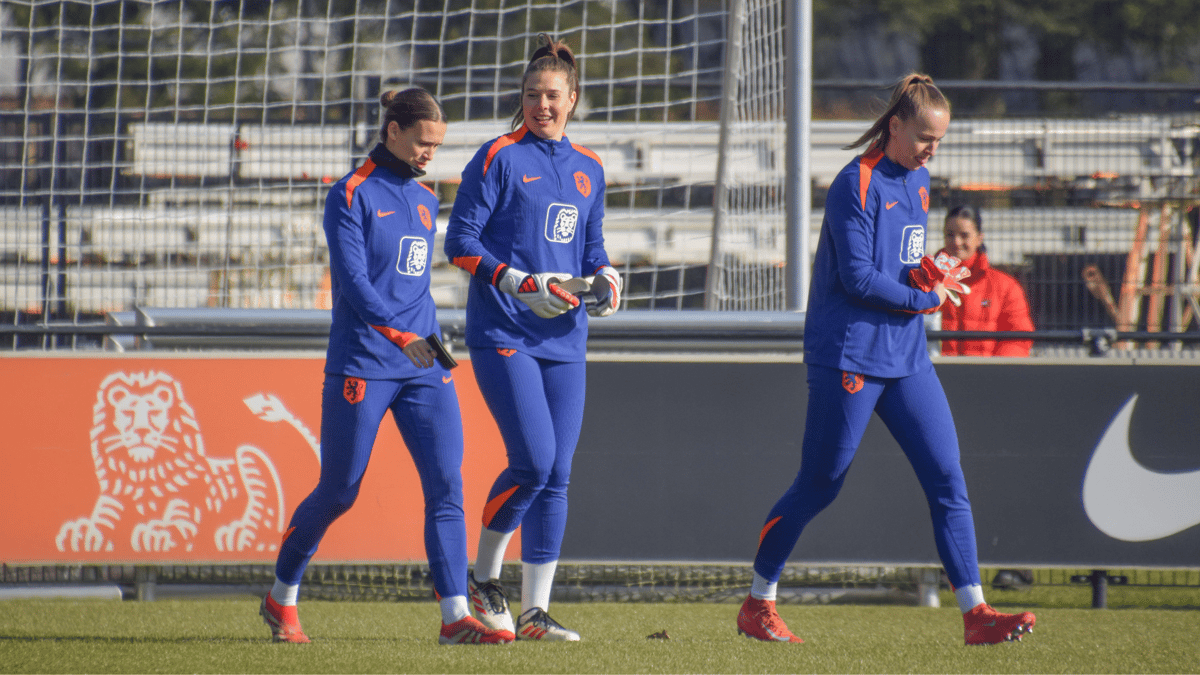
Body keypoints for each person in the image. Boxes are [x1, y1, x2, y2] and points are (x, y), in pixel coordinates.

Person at [736, 73, 1037, 646]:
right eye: (925, 136)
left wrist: (927, 269)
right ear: (895, 126)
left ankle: (976, 614)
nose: (932, 149)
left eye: (939, 139)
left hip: (905, 356)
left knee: (948, 478)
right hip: (849, 353)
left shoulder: (918, 178)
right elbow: (856, 277)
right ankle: (758, 601)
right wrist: (925, 296)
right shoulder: (857, 180)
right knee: (820, 484)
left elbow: (897, 260)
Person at [259, 88, 515, 646]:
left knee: (448, 482)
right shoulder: (349, 194)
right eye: (423, 142)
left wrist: (431, 344)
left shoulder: (425, 199)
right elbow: (355, 287)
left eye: (437, 145)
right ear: (392, 132)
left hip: (424, 358)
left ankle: (454, 619)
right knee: (341, 489)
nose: (430, 153)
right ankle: (281, 598)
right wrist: (400, 336)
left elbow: (414, 288)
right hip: (366, 360)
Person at [443, 33, 621, 642]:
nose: (541, 104)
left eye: (552, 95)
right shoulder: (497, 156)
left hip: (566, 338)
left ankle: (535, 614)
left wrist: (606, 275)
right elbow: (459, 243)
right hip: (503, 330)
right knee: (534, 462)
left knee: (559, 474)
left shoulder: (589, 167)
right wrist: (514, 279)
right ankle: (484, 578)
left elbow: (590, 247)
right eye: (531, 94)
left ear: (572, 98)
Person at [938, 205, 1034, 356]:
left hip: (987, 376)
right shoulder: (926, 280)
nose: (956, 242)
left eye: (964, 235)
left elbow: (1018, 338)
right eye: (950, 235)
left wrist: (995, 372)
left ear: (979, 238)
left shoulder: (1005, 286)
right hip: (934, 375)